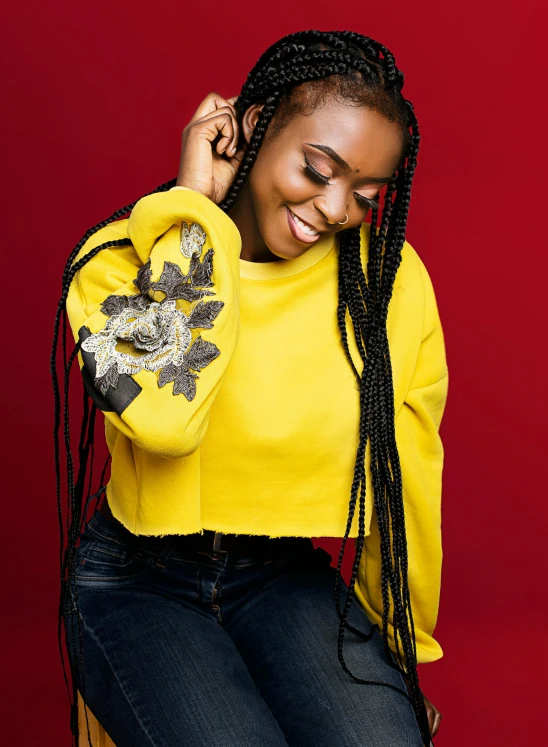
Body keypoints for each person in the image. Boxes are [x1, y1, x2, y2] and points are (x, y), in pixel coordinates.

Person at [52, 29, 449, 747]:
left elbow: (409, 476)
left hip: (283, 577)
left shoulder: (386, 283)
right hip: (138, 580)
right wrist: (192, 211)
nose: (335, 208)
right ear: (253, 123)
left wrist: (399, 647)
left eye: (363, 194)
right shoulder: (114, 263)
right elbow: (166, 418)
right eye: (317, 168)